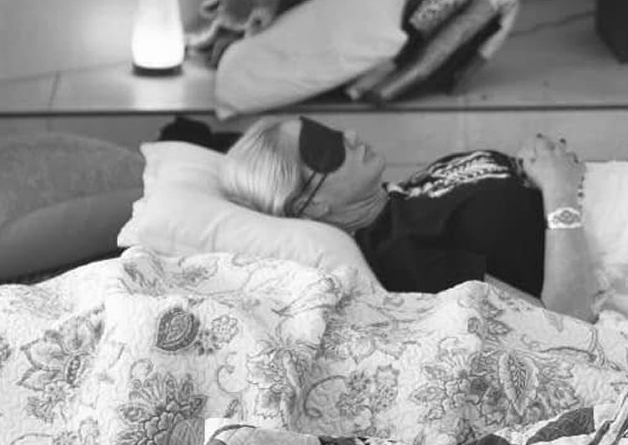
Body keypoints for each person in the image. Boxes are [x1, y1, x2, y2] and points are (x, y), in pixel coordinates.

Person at [220, 115, 597, 322]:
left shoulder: (399, 194)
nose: (350, 134)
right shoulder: (401, 255)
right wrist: (558, 190)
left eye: (331, 131)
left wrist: (537, 162)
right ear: (311, 205)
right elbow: (563, 320)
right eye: (325, 149)